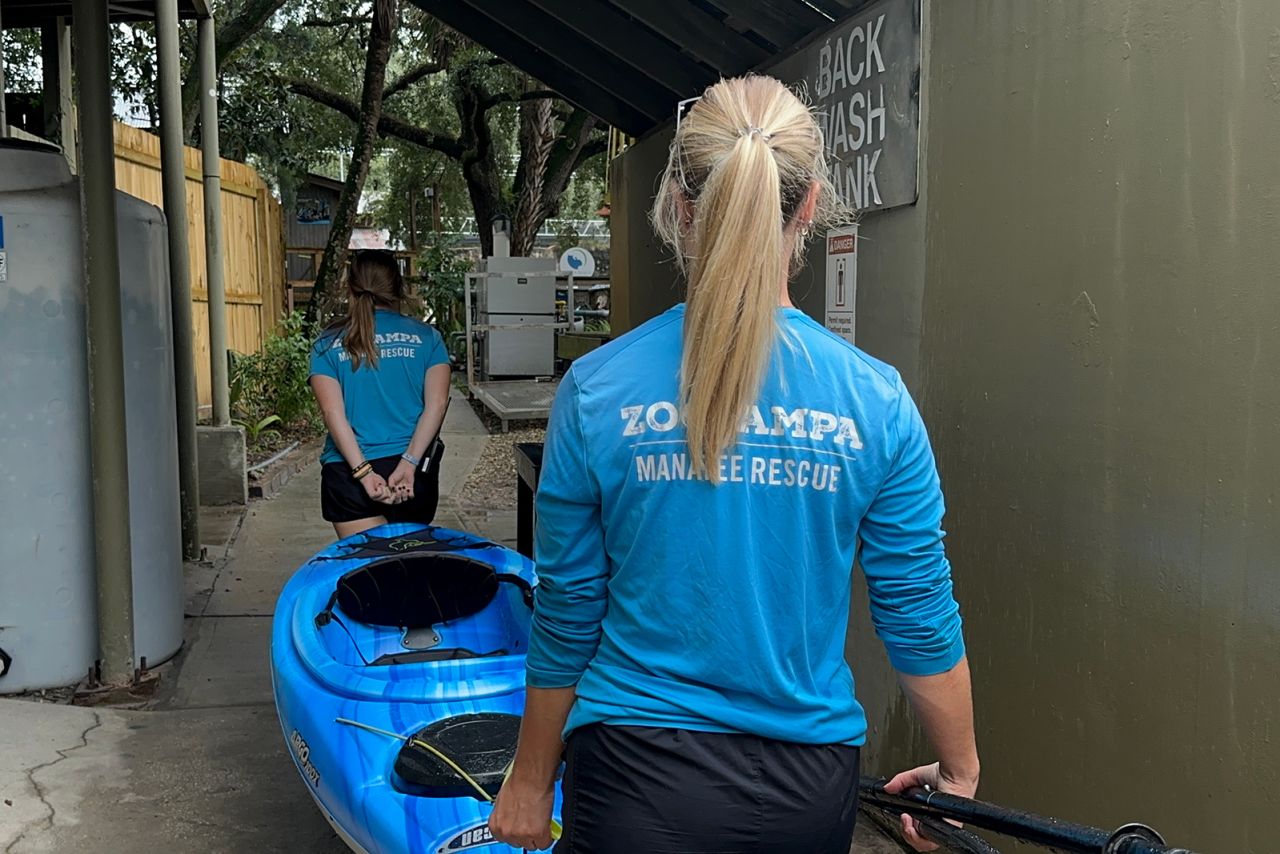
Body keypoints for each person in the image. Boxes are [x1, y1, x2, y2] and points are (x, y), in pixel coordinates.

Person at [488, 75, 980, 854]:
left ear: (679, 208)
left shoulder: (597, 390)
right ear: (811, 205)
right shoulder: (875, 401)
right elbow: (916, 610)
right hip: (802, 788)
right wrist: (959, 773)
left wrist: (529, 775)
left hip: (630, 778)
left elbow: (568, 609)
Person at [309, 249, 452, 539]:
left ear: (349, 287)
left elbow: (332, 414)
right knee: (406, 571)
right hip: (412, 476)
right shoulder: (428, 338)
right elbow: (436, 405)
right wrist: (409, 464)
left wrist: (363, 473)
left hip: (349, 473)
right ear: (398, 287)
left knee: (369, 574)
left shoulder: (326, 344)